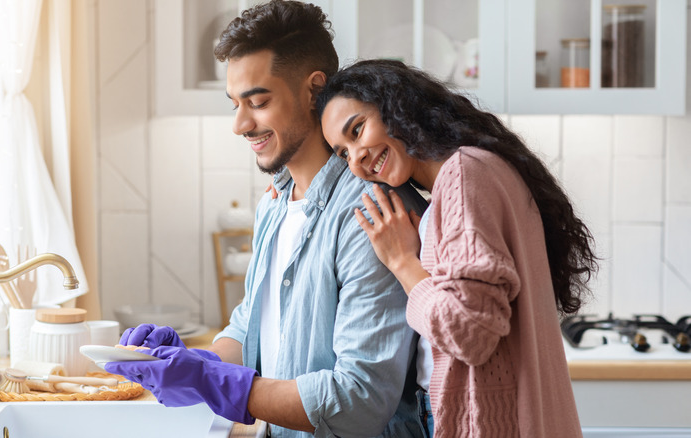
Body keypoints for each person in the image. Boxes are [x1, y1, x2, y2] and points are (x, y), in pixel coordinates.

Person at [105, 3, 428, 437]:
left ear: (314, 90)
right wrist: (194, 362)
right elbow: (251, 326)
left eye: (257, 102)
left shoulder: (371, 214)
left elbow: (359, 400)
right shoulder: (275, 203)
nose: (240, 124)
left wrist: (213, 381)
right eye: (235, 104)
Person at [316, 59, 598, 438]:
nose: (357, 159)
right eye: (342, 153)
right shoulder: (472, 171)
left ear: (396, 105)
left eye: (357, 130)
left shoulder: (463, 175)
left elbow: (470, 330)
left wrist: (403, 263)